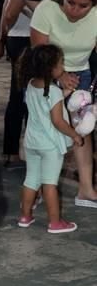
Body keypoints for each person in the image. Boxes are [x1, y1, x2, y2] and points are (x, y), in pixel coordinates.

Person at [30, 0, 97, 207]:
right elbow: (39, 53)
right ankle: (34, 188)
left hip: (82, 74)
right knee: (46, 130)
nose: (75, 10)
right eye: (70, 2)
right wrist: (60, 76)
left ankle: (86, 190)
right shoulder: (46, 9)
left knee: (83, 130)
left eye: (83, 6)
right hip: (46, 73)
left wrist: (75, 78)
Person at [0, 0, 53, 168]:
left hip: (22, 36)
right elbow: (12, 7)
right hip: (24, 38)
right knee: (21, 96)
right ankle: (13, 151)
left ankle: (21, 149)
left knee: (29, 95)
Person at [16, 44, 82, 232]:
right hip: (50, 146)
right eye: (61, 63)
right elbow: (57, 121)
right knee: (49, 184)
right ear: (51, 68)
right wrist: (74, 134)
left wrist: (64, 95)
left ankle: (25, 216)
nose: (63, 67)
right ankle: (55, 222)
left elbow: (45, 105)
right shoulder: (52, 91)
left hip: (32, 143)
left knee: (31, 180)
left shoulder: (31, 85)